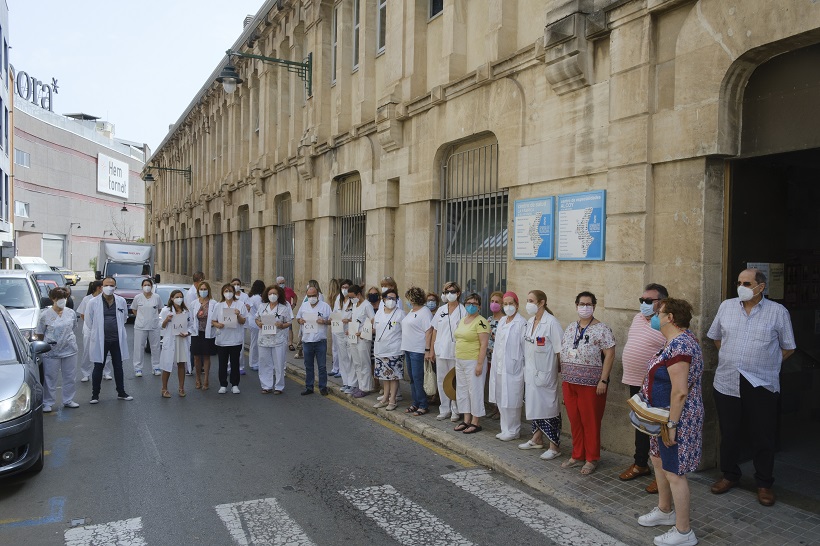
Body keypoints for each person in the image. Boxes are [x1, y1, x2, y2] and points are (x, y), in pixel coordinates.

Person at [707, 268, 796, 507]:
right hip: (727, 381)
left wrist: (766, 364)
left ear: (761, 287)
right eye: (739, 282)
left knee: (762, 436)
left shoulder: (778, 312)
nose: (741, 287)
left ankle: (764, 483)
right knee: (730, 433)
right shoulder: (727, 306)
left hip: (761, 383)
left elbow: (788, 347)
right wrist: (732, 358)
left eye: (747, 283)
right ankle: (729, 475)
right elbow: (716, 337)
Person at [636, 298, 704, 546]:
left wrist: (672, 425)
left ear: (670, 318)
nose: (655, 316)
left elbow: (680, 391)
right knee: (658, 459)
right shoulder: (673, 342)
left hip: (676, 418)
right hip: (661, 416)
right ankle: (665, 511)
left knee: (674, 472)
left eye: (659, 312)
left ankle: (684, 532)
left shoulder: (682, 345)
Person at [559, 291, 616, 475]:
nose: (585, 307)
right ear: (576, 306)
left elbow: (610, 354)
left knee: (590, 422)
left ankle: (591, 458)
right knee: (575, 420)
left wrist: (603, 380)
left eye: (588, 304)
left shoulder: (602, 329)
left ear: (594, 306)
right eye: (581, 304)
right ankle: (577, 455)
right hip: (570, 382)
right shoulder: (570, 327)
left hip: (591, 384)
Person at [619, 283, 669, 494]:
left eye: (649, 301)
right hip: (634, 380)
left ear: (662, 303)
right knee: (641, 425)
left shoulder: (667, 322)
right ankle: (641, 464)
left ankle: (663, 475)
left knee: (659, 430)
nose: (644, 305)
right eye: (642, 300)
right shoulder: (638, 318)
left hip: (656, 384)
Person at [517, 291, 564, 458]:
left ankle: (554, 446)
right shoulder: (530, 322)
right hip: (531, 373)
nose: (528, 303)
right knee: (534, 405)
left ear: (542, 302)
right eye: (527, 300)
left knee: (549, 408)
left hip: (545, 374)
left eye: (531, 301)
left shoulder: (551, 323)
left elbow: (560, 351)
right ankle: (537, 439)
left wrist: (562, 372)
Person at [85, 276, 133, 404]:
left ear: (115, 287)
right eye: (106, 285)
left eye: (112, 285)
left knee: (118, 366)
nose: (109, 288)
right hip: (101, 340)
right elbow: (89, 321)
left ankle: (121, 392)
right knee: (98, 367)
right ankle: (95, 395)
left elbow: (124, 318)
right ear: (101, 287)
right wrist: (98, 331)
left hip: (116, 339)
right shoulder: (93, 302)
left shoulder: (121, 301)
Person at [490, 292, 527, 440]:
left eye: (511, 303)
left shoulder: (521, 323)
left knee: (512, 399)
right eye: (505, 304)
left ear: (517, 305)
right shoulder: (503, 321)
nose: (508, 307)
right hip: (499, 365)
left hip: (514, 367)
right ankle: (505, 428)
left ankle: (514, 430)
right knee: (501, 397)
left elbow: (524, 347)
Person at [36, 287, 79, 412]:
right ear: (52, 299)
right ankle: (48, 402)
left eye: (64, 298)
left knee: (70, 376)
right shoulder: (44, 315)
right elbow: (40, 333)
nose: (62, 300)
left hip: (69, 349)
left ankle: (68, 399)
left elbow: (73, 328)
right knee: (50, 377)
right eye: (59, 298)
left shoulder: (70, 313)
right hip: (51, 351)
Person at [428, 281, 466, 422]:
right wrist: (431, 350)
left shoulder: (463, 310)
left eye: (452, 291)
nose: (449, 294)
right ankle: (444, 409)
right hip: (440, 350)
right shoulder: (441, 310)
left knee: (454, 381)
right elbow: (434, 331)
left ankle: (456, 409)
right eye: (447, 292)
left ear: (458, 293)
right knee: (441, 380)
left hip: (455, 351)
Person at [452, 292, 489, 434]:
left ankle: (475, 421)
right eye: (468, 303)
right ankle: (466, 419)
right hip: (460, 360)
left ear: (479, 306)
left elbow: (484, 344)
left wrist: (479, 364)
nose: (471, 306)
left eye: (474, 304)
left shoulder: (481, 321)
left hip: (473, 361)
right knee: (462, 390)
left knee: (475, 391)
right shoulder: (462, 320)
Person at [401, 286, 433, 416]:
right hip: (408, 348)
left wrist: (427, 350)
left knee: (418, 378)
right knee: (412, 378)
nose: (407, 301)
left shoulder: (425, 312)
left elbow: (429, 331)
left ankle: (423, 404)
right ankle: (415, 402)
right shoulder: (412, 311)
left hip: (418, 350)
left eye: (408, 298)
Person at [255, 284, 293, 394]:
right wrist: (259, 324)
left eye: (275, 294)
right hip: (264, 338)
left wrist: (281, 325)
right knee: (264, 362)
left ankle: (279, 386)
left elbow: (289, 322)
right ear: (267, 295)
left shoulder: (284, 308)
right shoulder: (262, 306)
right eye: (270, 294)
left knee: (279, 363)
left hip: (278, 339)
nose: (272, 296)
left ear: (279, 295)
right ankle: (266, 385)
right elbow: (256, 318)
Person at [295, 285, 332, 395]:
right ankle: (309, 387)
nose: (312, 297)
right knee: (308, 365)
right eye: (309, 296)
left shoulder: (325, 306)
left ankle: (323, 387)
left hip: (320, 340)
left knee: (322, 366)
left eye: (314, 295)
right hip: (307, 341)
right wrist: (300, 321)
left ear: (318, 295)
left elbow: (332, 320)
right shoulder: (304, 306)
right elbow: (298, 318)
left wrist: (324, 321)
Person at [212, 283, 248, 394]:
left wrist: (238, 315)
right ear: (223, 293)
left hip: (235, 339)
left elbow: (243, 321)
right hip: (222, 339)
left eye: (230, 291)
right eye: (226, 291)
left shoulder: (240, 304)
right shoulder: (219, 305)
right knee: (222, 363)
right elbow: (213, 321)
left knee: (235, 363)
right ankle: (223, 384)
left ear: (234, 292)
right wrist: (218, 325)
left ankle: (235, 384)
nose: (228, 293)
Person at [158, 290, 196, 398]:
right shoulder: (166, 310)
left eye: (181, 297)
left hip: (181, 340)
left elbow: (191, 325)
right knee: (167, 365)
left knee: (181, 364)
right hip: (170, 340)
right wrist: (166, 320)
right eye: (177, 297)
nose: (179, 299)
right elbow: (160, 325)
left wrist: (187, 333)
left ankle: (181, 388)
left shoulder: (186, 311)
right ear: (171, 298)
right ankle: (164, 388)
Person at [373, 287, 405, 410]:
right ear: (384, 299)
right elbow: (375, 328)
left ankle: (393, 400)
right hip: (380, 349)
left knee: (394, 376)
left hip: (394, 349)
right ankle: (385, 398)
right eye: (389, 298)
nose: (391, 300)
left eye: (394, 298)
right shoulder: (379, 313)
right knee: (384, 376)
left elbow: (404, 331)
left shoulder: (400, 314)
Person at [77, 280, 111, 382]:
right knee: (88, 351)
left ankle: (106, 372)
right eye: (104, 286)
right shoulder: (87, 299)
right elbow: (82, 314)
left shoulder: (105, 299)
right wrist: (92, 325)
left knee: (105, 351)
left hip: (103, 329)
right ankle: (86, 373)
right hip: (89, 329)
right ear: (99, 287)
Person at [347, 285, 375, 398]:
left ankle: (366, 387)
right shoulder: (355, 305)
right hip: (353, 338)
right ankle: (360, 385)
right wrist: (350, 330)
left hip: (363, 338)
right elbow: (354, 320)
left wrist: (363, 332)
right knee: (357, 363)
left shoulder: (367, 305)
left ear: (358, 295)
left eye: (352, 297)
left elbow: (373, 320)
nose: (350, 299)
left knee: (364, 363)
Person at [131, 278, 162, 378]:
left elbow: (160, 309)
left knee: (155, 347)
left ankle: (156, 367)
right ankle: (138, 368)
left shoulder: (156, 297)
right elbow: (134, 309)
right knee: (138, 347)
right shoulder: (137, 297)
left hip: (154, 326)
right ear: (142, 286)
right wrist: (141, 318)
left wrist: (153, 318)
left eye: (148, 285)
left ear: (152, 286)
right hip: (140, 326)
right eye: (145, 285)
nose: (147, 286)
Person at [190, 281, 217, 390]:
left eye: (205, 289)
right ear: (198, 291)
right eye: (201, 289)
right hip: (196, 333)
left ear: (208, 290)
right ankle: (198, 379)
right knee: (196, 357)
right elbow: (191, 319)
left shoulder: (214, 303)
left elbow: (216, 317)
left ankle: (206, 379)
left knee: (206, 356)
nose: (203, 291)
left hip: (208, 333)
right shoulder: (194, 303)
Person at [332, 279, 355, 390]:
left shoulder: (354, 301)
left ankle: (352, 383)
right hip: (339, 332)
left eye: (347, 287)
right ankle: (345, 382)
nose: (344, 290)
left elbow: (358, 317)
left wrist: (349, 320)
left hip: (350, 332)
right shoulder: (338, 299)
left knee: (351, 357)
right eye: (343, 287)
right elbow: (335, 314)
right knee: (343, 357)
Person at [485, 291, 504, 419]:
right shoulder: (489, 319)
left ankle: (501, 411)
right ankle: (494, 407)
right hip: (488, 358)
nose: (494, 304)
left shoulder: (504, 320)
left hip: (499, 359)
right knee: (492, 384)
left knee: (500, 384)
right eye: (492, 301)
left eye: (497, 302)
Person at [231, 278, 250, 375]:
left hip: (241, 324)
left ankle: (241, 366)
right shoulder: (229, 295)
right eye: (234, 284)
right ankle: (229, 366)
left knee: (240, 346)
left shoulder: (245, 296)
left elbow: (248, 307)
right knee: (229, 346)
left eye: (238, 284)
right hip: (230, 325)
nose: (236, 286)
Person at [246, 279, 266, 372]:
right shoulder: (257, 298)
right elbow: (261, 310)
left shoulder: (251, 296)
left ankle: (254, 362)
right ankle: (254, 362)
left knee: (255, 342)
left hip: (252, 321)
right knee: (255, 343)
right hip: (255, 322)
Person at [276, 275, 298, 351]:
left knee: (289, 327)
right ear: (277, 284)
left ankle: (290, 343)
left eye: (283, 283)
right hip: (278, 312)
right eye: (280, 283)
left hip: (287, 311)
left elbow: (295, 296)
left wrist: (293, 304)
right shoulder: (275, 291)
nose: (282, 284)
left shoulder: (288, 290)